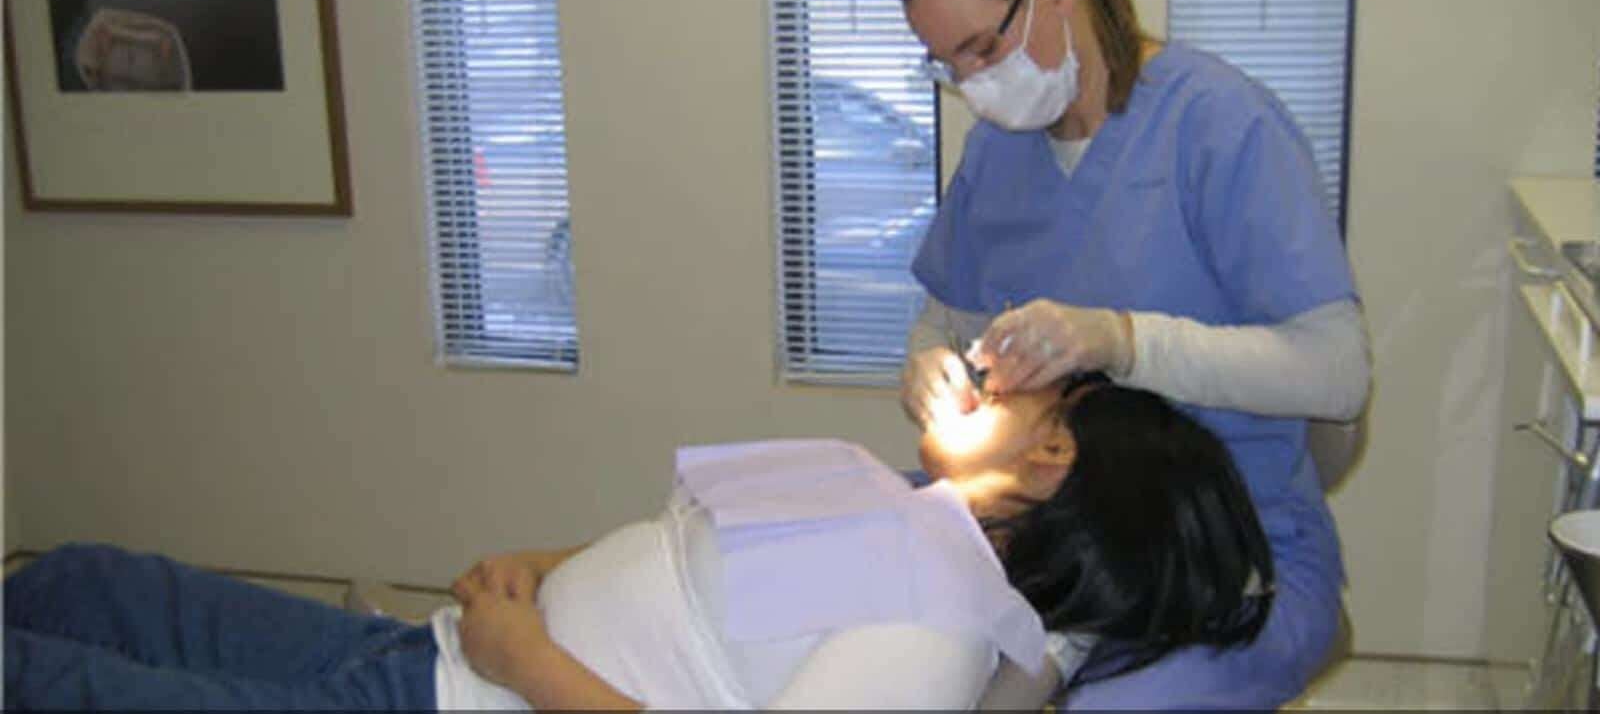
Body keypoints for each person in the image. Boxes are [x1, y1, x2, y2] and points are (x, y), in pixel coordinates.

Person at [6, 379, 1272, 711]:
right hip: (434, 657)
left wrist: (525, 655)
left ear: (1051, 454)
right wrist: (542, 570)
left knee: (58, 685)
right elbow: (695, 568)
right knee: (82, 583)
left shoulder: (939, 633)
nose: (987, 368)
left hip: (465, 694)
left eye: (1031, 391)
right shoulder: (902, 515)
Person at [892, 0, 1372, 709]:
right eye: (948, 65)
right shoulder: (1001, 151)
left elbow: (1340, 373)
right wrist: (928, 361)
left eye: (982, 49)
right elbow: (946, 317)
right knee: (846, 586)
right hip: (1051, 531)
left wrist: (1122, 341)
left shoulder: (1220, 128)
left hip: (1229, 540)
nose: (972, 85)